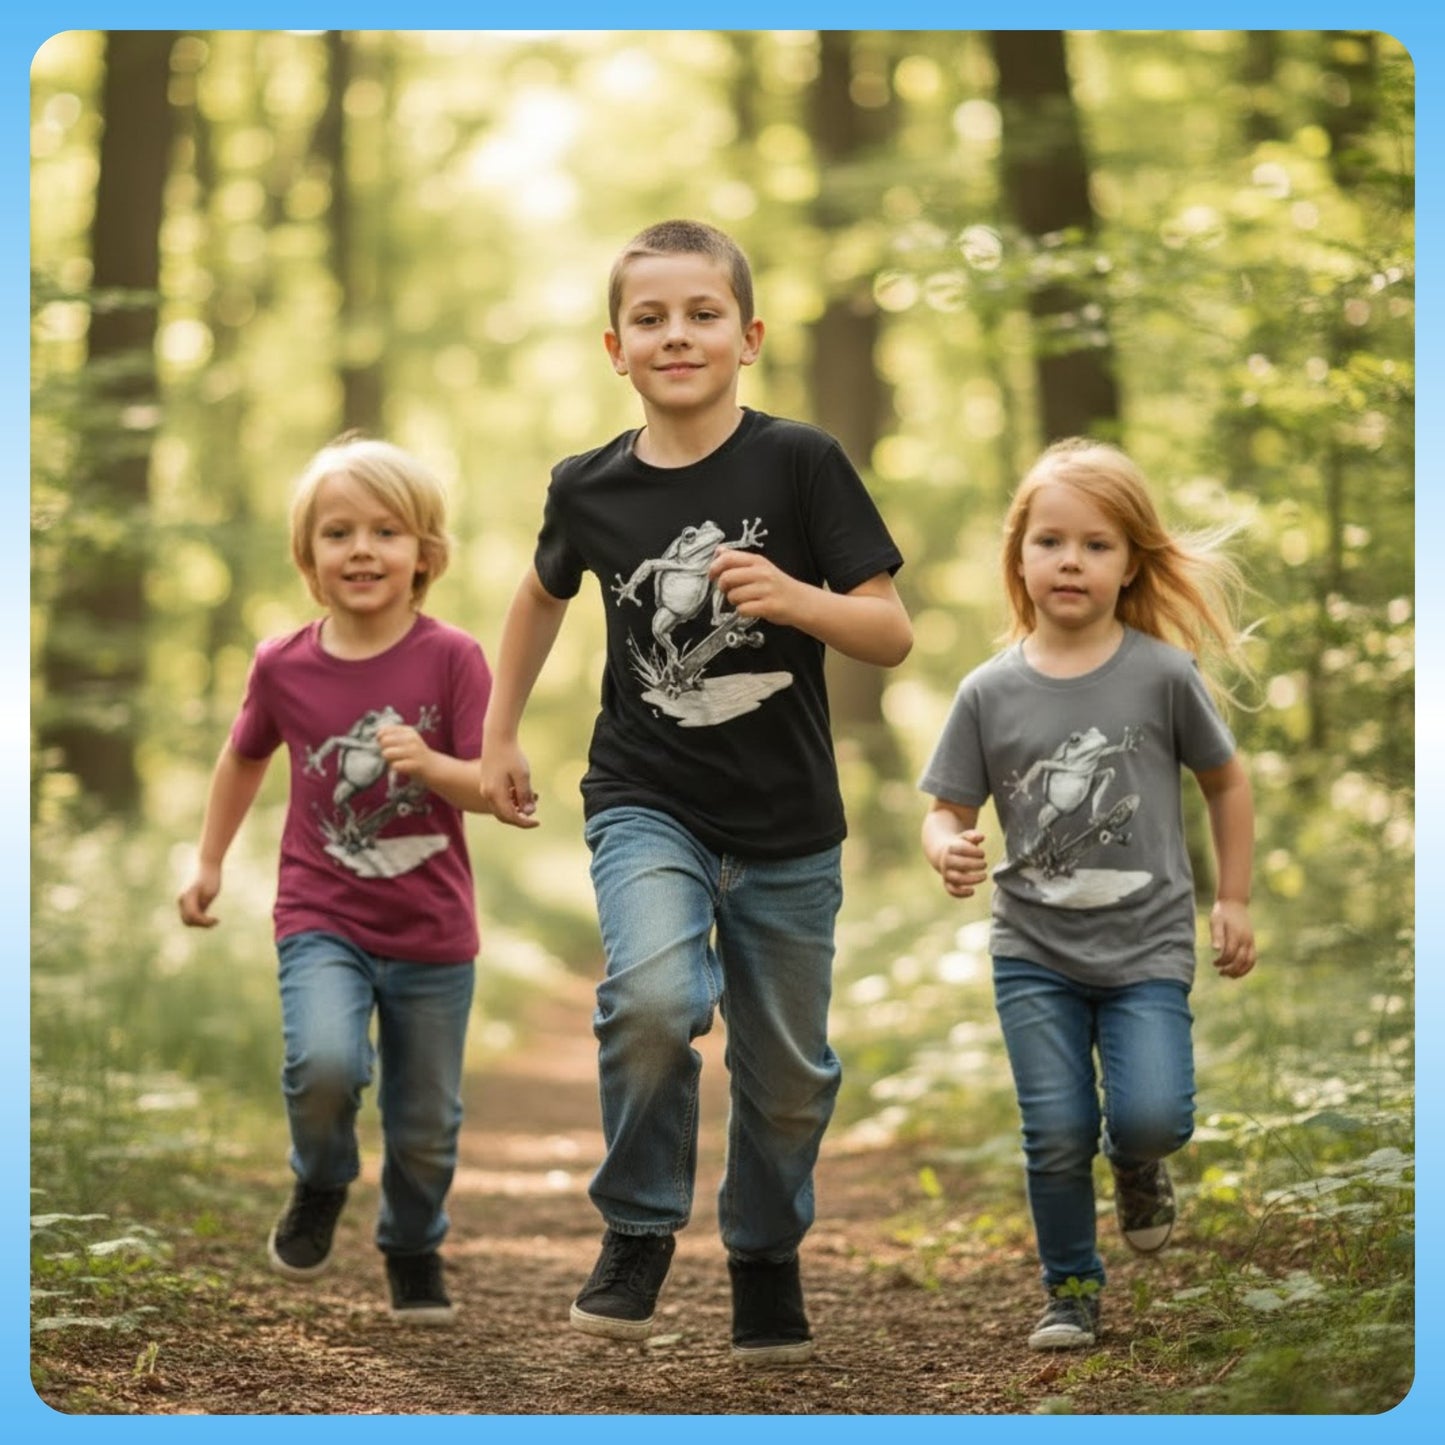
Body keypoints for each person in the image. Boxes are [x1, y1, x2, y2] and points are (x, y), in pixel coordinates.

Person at [479, 219, 912, 1364]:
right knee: (653, 998)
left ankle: (763, 1252)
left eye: (701, 313)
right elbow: (538, 593)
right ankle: (636, 1226)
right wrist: (498, 729)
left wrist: (795, 597)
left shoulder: (800, 462)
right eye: (650, 317)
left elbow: (889, 631)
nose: (676, 334)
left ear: (747, 336)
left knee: (787, 1075)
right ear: (614, 347)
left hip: (788, 822)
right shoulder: (587, 484)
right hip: (644, 795)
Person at [918, 437, 1257, 1352]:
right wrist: (948, 847)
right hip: (1032, 950)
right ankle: (1069, 1289)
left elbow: (1225, 781)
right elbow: (945, 808)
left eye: (1096, 544)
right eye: (1050, 541)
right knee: (1055, 1129)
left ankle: (1137, 1162)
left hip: (1147, 945)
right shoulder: (987, 691)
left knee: (1151, 1114)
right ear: (1018, 556)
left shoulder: (1161, 674)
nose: (1070, 560)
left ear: (1130, 563)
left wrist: (1232, 898)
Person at [177, 434, 494, 1326]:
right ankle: (320, 1179)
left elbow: (488, 787)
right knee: (322, 1063)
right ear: (307, 554)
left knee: (424, 1121)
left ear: (423, 553)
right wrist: (209, 860)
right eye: (338, 532)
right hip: (320, 913)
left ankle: (413, 1244)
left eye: (386, 531)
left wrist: (430, 763)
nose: (361, 549)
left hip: (433, 928)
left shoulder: (453, 658)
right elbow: (243, 757)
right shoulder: (283, 663)